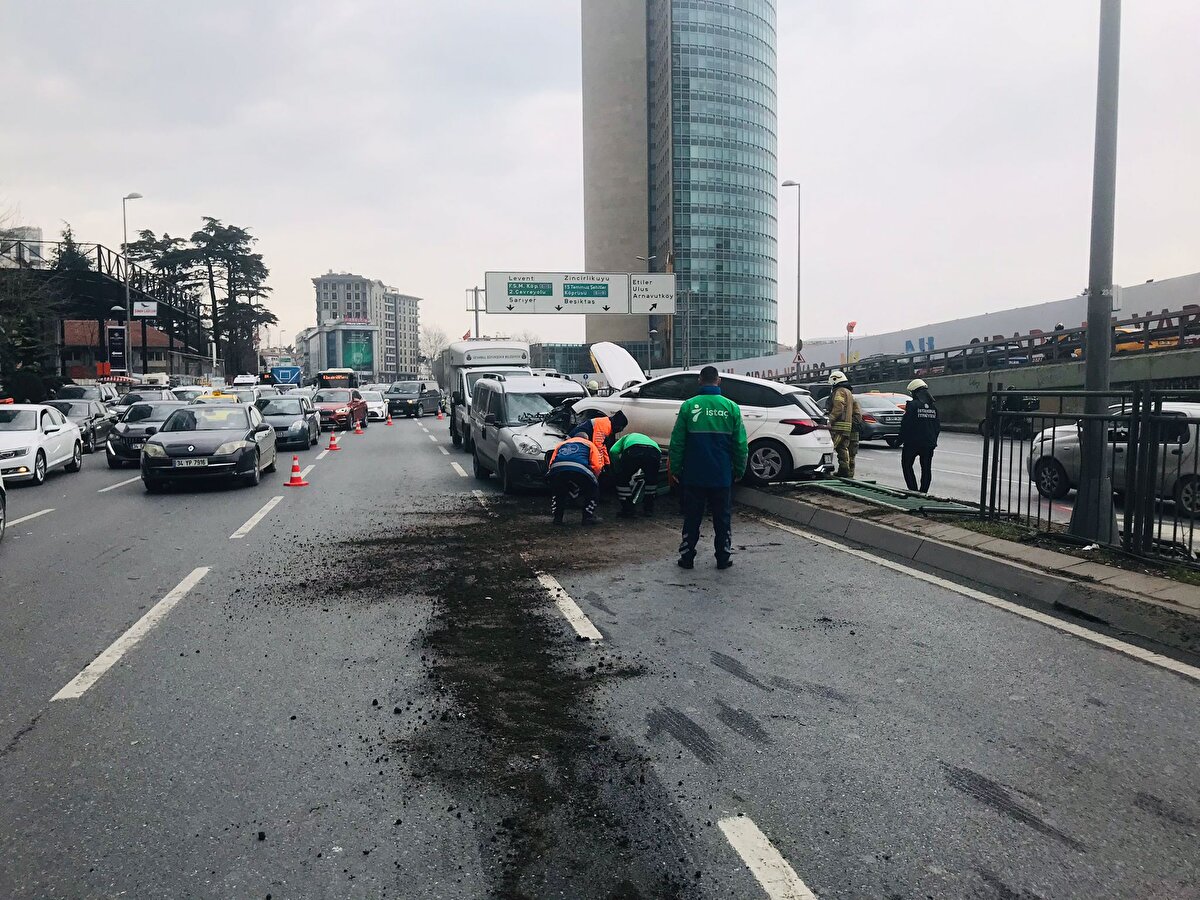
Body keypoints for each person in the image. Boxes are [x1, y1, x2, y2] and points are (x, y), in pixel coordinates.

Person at [669, 366, 747, 570]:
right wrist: (740, 469)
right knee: (722, 518)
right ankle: (723, 557)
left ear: (700, 380)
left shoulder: (689, 406)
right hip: (721, 474)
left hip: (694, 474)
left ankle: (687, 557)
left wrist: (675, 468)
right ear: (718, 381)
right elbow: (740, 444)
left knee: (692, 517)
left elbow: (677, 442)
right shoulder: (731, 407)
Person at [547, 433, 604, 526]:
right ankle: (587, 517)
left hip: (558, 468)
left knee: (558, 492)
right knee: (593, 490)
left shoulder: (561, 444)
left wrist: (552, 475)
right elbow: (597, 465)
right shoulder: (590, 444)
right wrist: (594, 478)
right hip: (580, 468)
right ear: (586, 438)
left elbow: (552, 461)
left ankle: (557, 518)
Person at [898, 378, 941, 493]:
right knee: (926, 468)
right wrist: (933, 441)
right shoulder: (933, 407)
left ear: (915, 392)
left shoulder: (912, 405)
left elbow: (906, 425)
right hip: (929, 443)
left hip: (912, 443)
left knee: (907, 465)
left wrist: (899, 440)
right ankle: (923, 492)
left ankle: (913, 490)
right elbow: (937, 427)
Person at [610, 432, 662, 518]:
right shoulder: (648, 439)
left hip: (633, 450)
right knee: (651, 480)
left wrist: (617, 468)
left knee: (622, 480)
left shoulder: (624, 438)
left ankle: (628, 509)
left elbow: (613, 451)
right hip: (654, 451)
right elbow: (659, 456)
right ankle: (649, 508)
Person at [827, 370, 861, 478]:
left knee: (832, 447)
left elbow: (838, 408)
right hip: (847, 426)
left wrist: (830, 420)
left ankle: (842, 470)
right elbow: (857, 412)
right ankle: (846, 472)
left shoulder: (840, 391)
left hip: (839, 426)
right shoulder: (849, 392)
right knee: (844, 449)